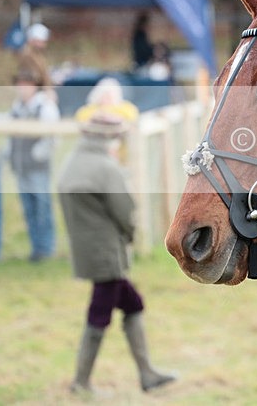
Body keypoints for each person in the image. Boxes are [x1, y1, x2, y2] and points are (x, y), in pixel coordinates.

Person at [58, 114, 176, 394]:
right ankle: (81, 382)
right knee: (99, 313)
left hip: (85, 249)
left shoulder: (72, 163)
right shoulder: (105, 167)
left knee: (133, 303)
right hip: (106, 253)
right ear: (108, 137)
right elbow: (124, 211)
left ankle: (147, 373)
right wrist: (132, 234)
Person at [7, 65, 60, 261]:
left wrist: (37, 154)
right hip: (21, 166)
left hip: (37, 167)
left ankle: (46, 249)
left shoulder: (44, 107)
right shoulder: (16, 107)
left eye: (26, 84)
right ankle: (36, 248)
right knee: (28, 209)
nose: (22, 88)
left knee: (42, 208)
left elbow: (52, 138)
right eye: (20, 84)